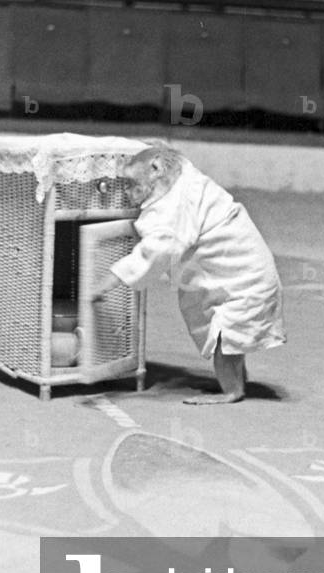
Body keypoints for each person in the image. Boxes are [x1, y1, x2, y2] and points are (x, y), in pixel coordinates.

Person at [92, 146, 285, 403]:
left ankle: (232, 391)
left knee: (225, 334)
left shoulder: (178, 202)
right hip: (245, 275)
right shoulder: (183, 179)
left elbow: (159, 250)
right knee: (229, 334)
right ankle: (236, 379)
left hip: (247, 280)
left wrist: (107, 282)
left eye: (132, 183)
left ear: (156, 168)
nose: (128, 191)